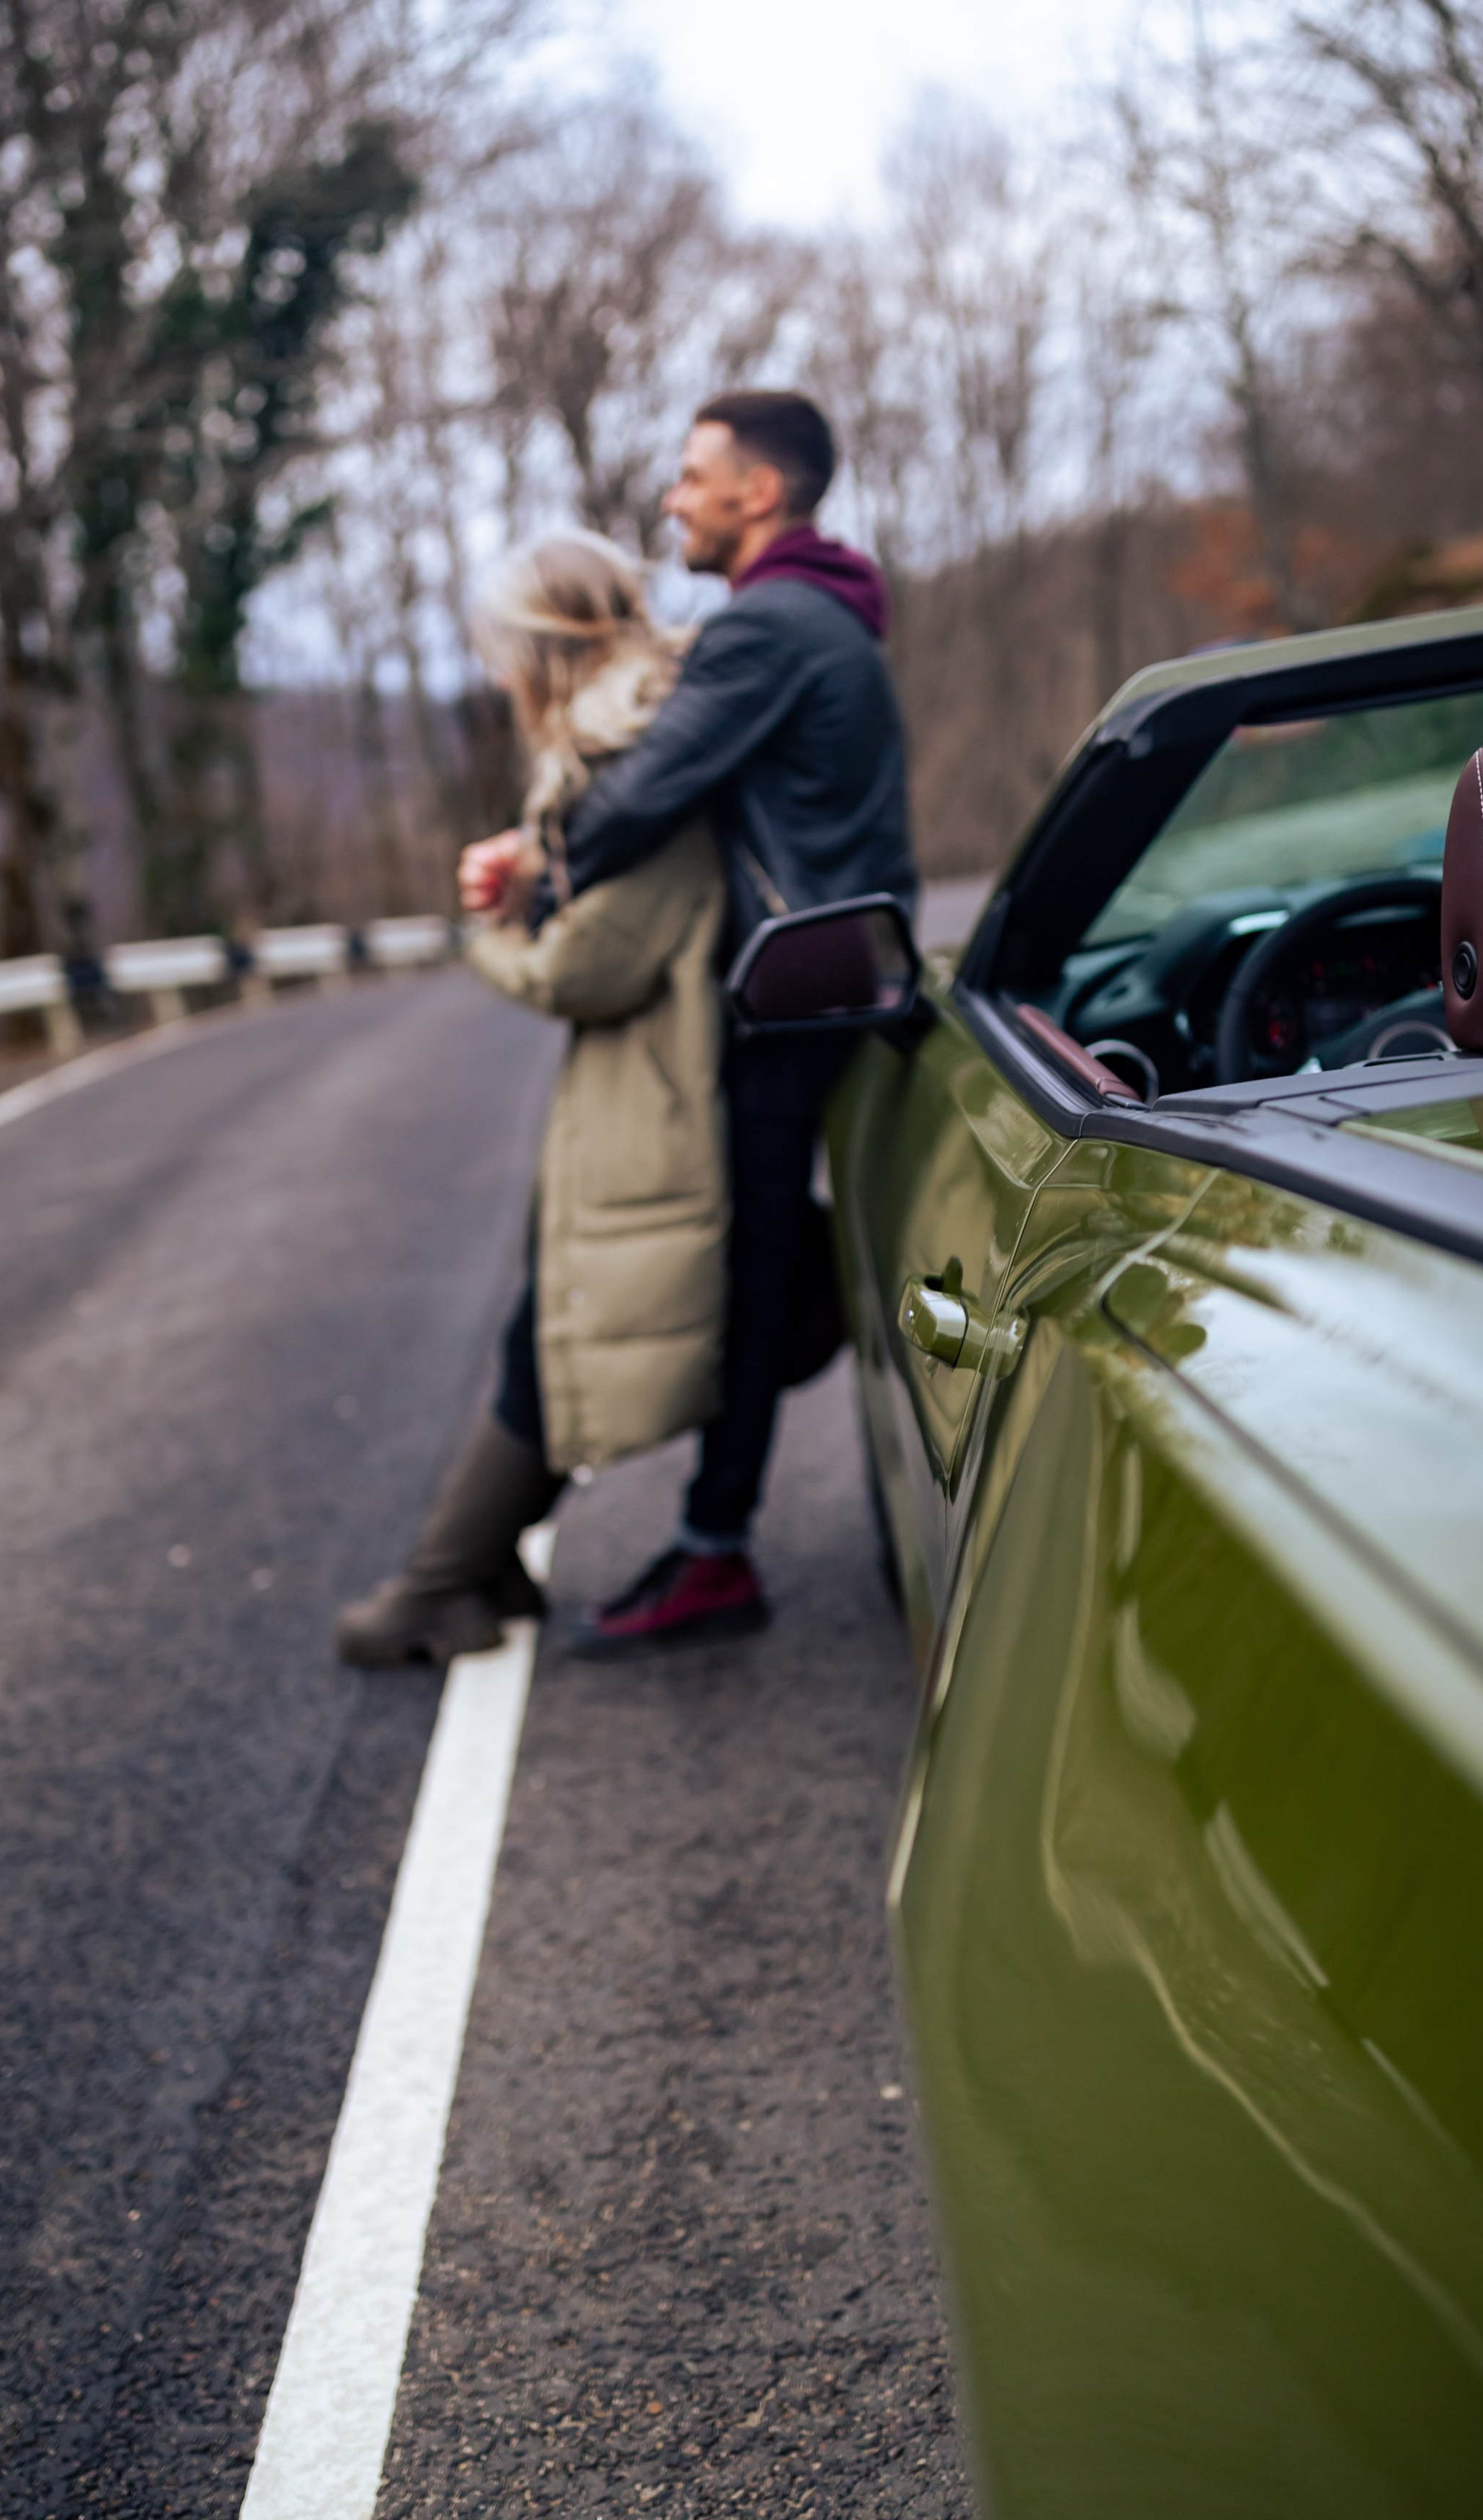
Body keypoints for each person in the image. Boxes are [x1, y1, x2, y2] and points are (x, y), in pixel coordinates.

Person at [459, 389, 917, 1651]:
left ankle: (716, 1553)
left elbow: (643, 798)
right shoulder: (828, 611)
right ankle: (712, 1532)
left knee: (753, 1261)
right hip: (835, 968)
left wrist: (526, 882)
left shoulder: (765, 629)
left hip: (785, 990)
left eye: (691, 476)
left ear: (757, 493)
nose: (673, 499)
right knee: (767, 1252)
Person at [335, 533, 731, 1668]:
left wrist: (495, 935)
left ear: (549, 651)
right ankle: (478, 1560)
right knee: (557, 1312)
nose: (501, 680)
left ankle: (443, 1583)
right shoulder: (624, 749)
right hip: (638, 1084)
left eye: (507, 655)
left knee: (565, 1318)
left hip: (654, 1083)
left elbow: (587, 970)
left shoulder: (631, 758)